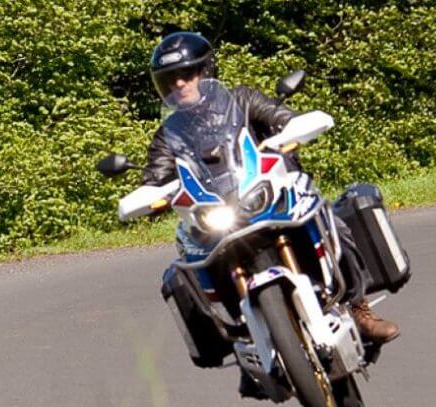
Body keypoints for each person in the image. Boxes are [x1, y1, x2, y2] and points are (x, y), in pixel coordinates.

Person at [142, 32, 400, 358]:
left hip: (270, 195)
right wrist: (151, 195)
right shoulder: (169, 134)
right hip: (219, 214)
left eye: (186, 74)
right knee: (189, 257)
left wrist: (293, 130)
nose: (179, 84)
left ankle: (358, 308)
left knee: (333, 223)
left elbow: (282, 118)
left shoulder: (241, 100)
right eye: (170, 80)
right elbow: (154, 177)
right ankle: (247, 345)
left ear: (205, 71)